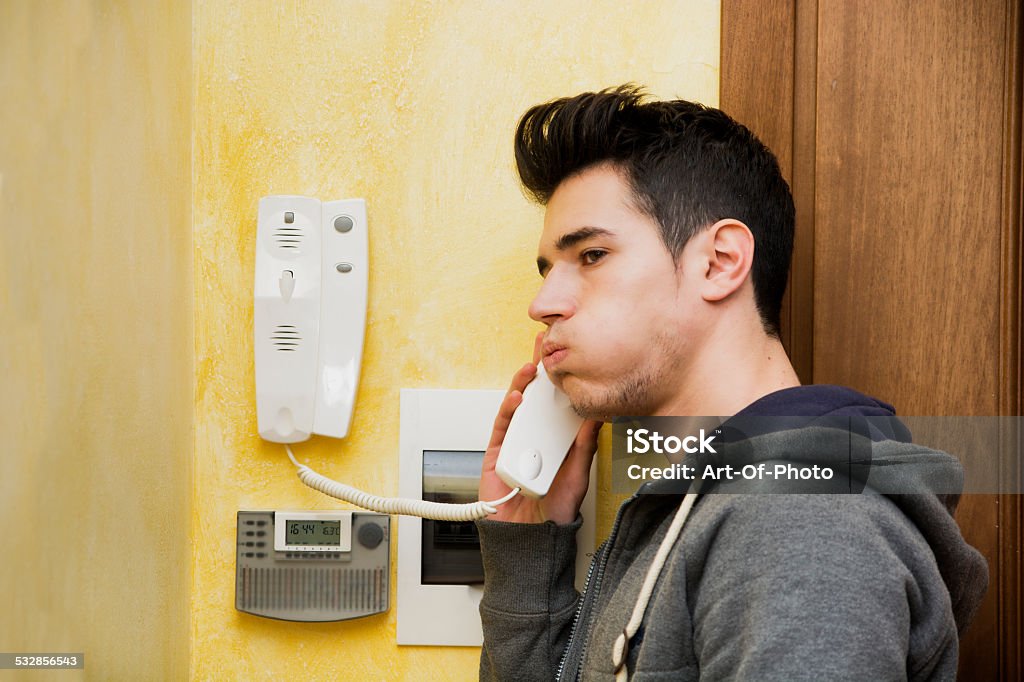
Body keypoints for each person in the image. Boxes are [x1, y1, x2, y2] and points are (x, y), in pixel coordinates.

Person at [475, 85, 988, 681]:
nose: (543, 304)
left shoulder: (801, 530)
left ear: (720, 262)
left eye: (591, 255)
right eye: (549, 271)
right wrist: (524, 550)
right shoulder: (702, 511)